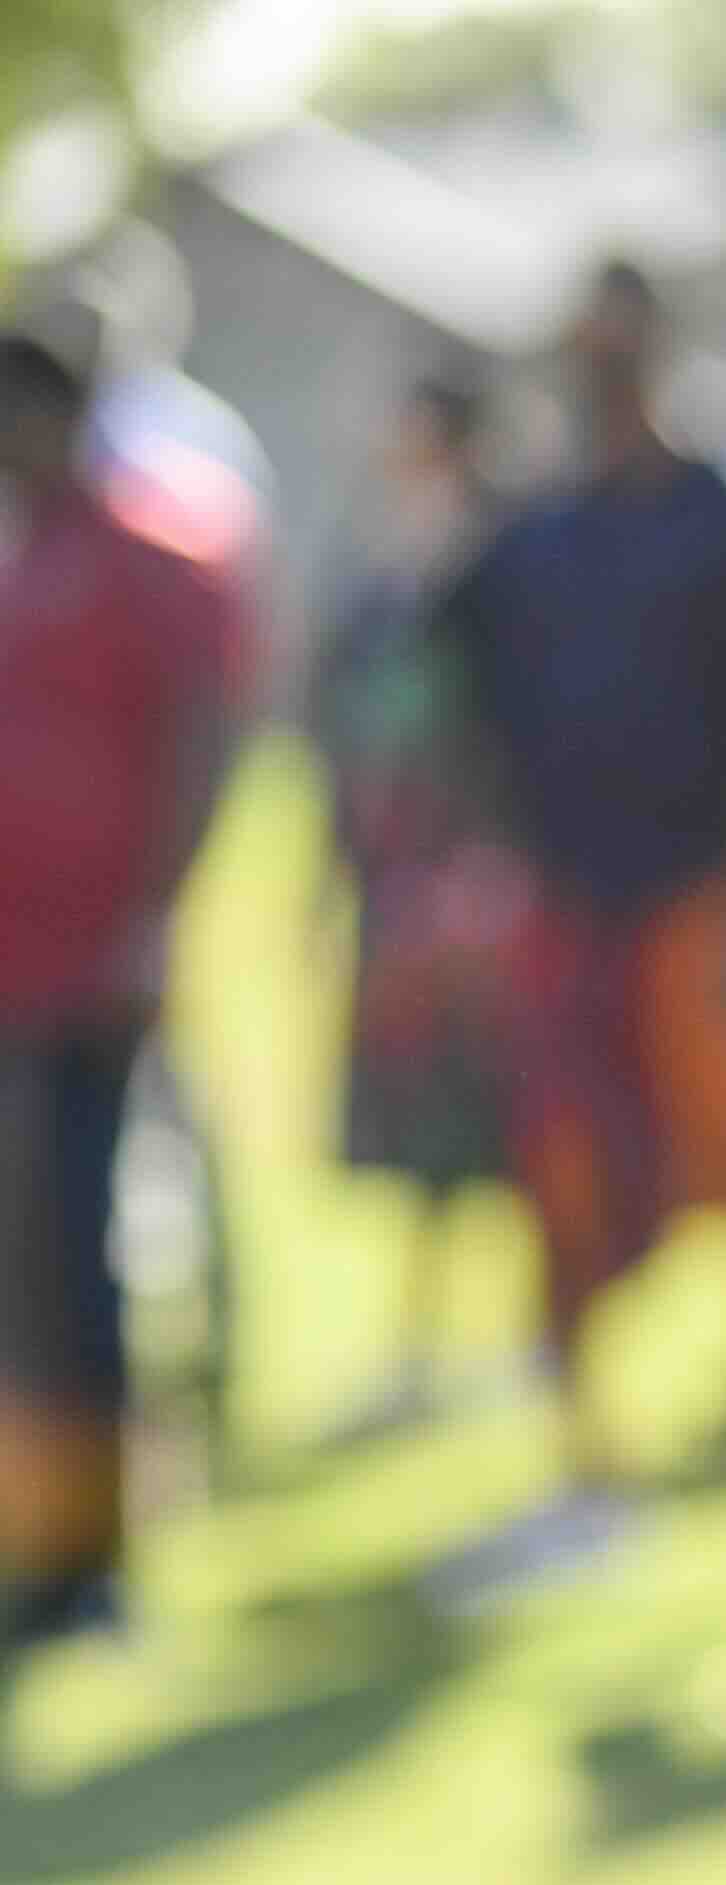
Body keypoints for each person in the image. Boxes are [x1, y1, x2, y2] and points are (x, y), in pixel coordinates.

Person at [435, 258, 726, 1592]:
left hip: (698, 899)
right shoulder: (535, 536)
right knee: (568, 1178)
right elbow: (462, 703)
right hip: (570, 898)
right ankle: (587, 1455)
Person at [0, 328, 243, 1651]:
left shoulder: (152, 552)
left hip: (90, 974)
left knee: (83, 1256)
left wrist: (151, 925)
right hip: (12, 971)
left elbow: (205, 741)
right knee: (21, 1265)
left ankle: (99, 1551)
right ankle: (36, 1538)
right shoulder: (20, 557)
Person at [304, 362, 531, 1435]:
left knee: (501, 1110)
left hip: (471, 882)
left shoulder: (504, 564)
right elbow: (334, 718)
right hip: (393, 876)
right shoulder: (380, 567)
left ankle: (529, 1331)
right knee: (408, 1117)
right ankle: (418, 1341)